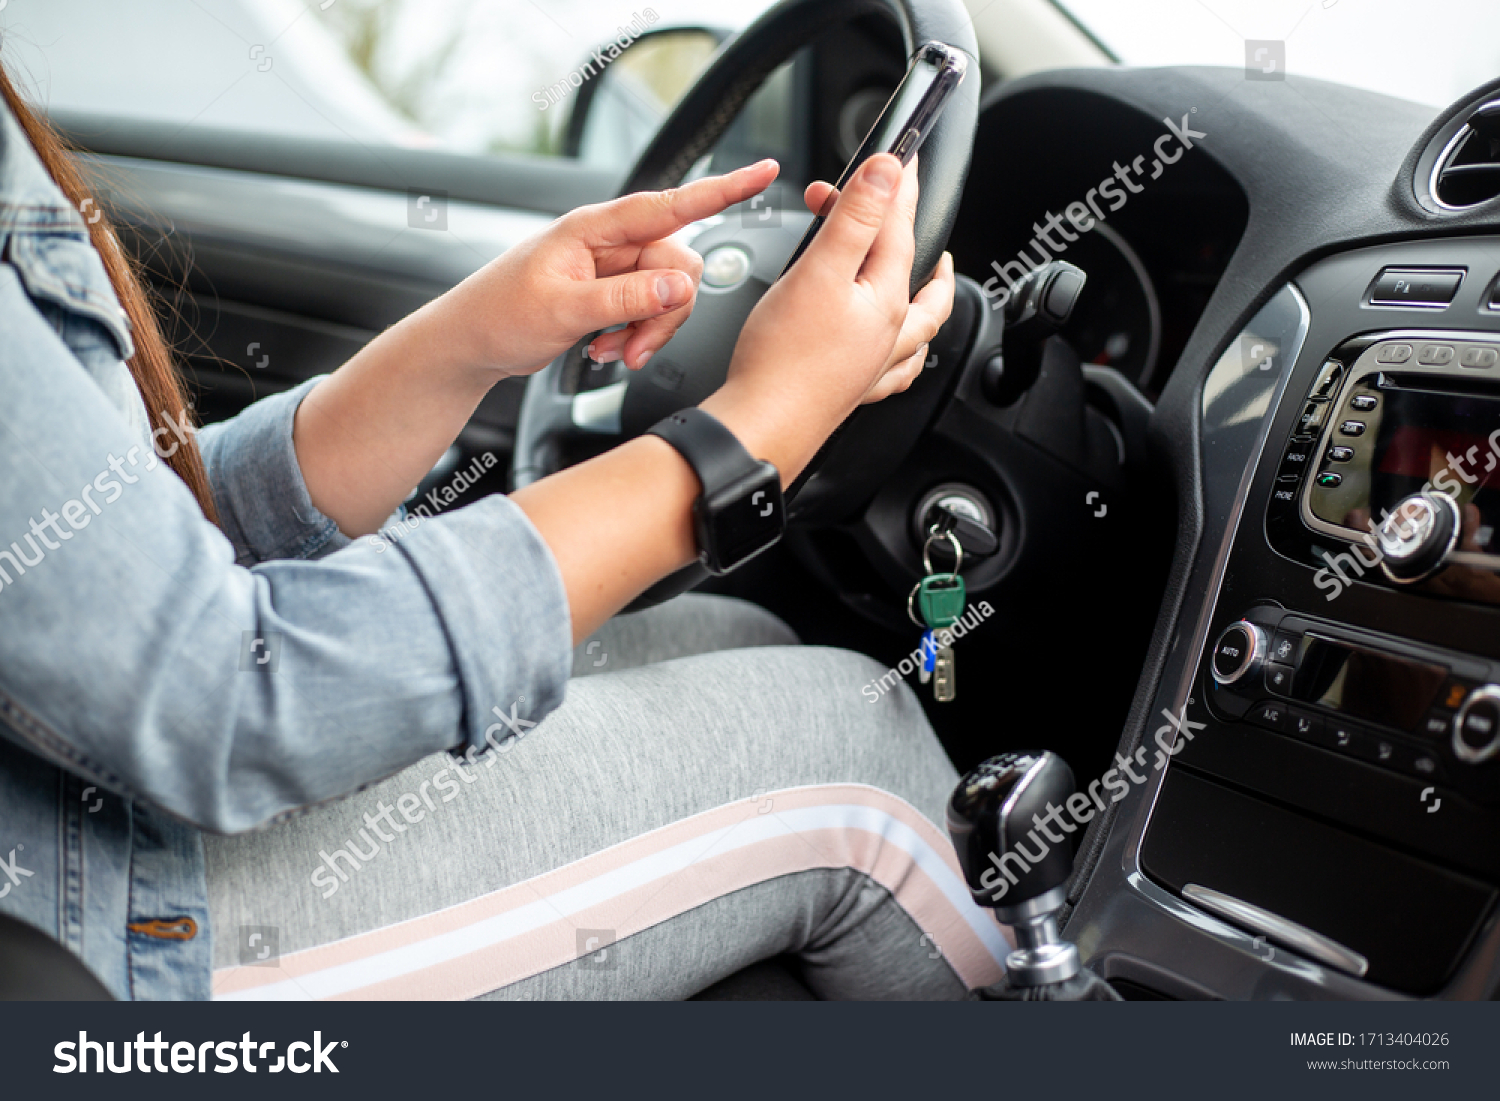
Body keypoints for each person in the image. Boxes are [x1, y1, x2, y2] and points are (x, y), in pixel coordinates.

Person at [0, 65, 1008, 1000]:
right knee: (844, 744)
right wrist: (752, 432)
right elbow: (210, 700)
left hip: (85, 816)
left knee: (745, 637)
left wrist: (470, 337)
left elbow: (120, 542)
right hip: (92, 935)